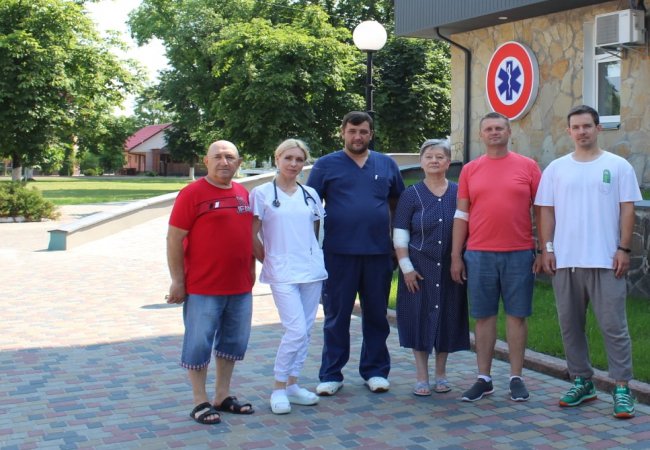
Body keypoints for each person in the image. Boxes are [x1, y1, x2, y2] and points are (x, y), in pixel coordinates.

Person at [535, 105, 641, 419]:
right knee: (570, 325)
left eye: (587, 126)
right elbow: (546, 210)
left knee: (614, 326)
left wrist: (624, 248)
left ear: (598, 128)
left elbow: (627, 209)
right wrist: (547, 248)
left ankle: (622, 387)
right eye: (576, 127)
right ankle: (582, 381)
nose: (582, 132)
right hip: (566, 259)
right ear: (569, 131)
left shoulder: (618, 166)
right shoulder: (556, 169)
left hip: (606, 259)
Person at [307, 111, 405, 395]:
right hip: (338, 254)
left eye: (363, 131)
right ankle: (331, 374)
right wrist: (311, 249)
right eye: (352, 131)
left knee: (376, 315)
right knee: (336, 316)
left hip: (378, 254)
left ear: (371, 134)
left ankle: (375, 371)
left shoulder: (386, 164)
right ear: (343, 133)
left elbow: (397, 204)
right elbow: (310, 208)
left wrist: (396, 245)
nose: (358, 136)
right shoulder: (326, 165)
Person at [451, 111, 542, 403]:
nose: (494, 132)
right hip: (479, 254)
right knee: (483, 317)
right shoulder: (470, 170)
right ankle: (484, 378)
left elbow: (541, 211)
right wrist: (456, 255)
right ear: (481, 134)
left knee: (517, 316)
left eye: (499, 128)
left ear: (509, 132)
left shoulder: (528, 167)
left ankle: (516, 377)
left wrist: (542, 249)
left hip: (519, 253)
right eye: (488, 128)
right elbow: (462, 213)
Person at [166, 140, 256, 425]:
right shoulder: (192, 193)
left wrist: (252, 269)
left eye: (230, 157)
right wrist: (177, 281)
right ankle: (199, 401)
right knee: (198, 344)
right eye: (217, 156)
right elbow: (174, 239)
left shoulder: (243, 193)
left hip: (239, 287)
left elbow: (248, 236)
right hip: (203, 287)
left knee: (233, 343)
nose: (224, 162)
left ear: (239, 162)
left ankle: (222, 395)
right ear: (206, 161)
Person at [250, 139, 328, 415]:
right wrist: (268, 259)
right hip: (282, 272)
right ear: (277, 159)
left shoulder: (310, 193)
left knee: (305, 330)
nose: (294, 164)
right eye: (288, 158)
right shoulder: (261, 193)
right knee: (294, 330)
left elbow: (316, 229)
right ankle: (278, 387)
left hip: (311, 270)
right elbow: (251, 234)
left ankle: (293, 385)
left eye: (299, 159)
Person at [393, 139, 470, 397]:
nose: (434, 161)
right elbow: (400, 233)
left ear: (448, 163)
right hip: (419, 268)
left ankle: (441, 374)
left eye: (440, 157)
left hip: (451, 267)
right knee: (418, 318)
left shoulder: (459, 193)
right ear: (421, 162)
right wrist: (406, 267)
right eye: (429, 157)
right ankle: (421, 376)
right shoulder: (411, 194)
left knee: (448, 316)